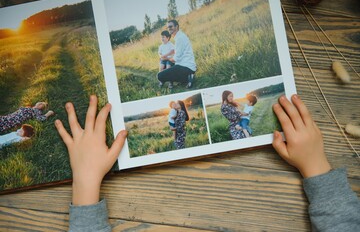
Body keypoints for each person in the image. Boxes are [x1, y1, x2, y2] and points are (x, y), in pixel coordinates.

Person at [55, 95, 360, 232]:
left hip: (181, 132)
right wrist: (316, 166)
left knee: (183, 138)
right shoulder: (183, 112)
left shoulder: (181, 113)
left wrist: (85, 181)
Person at [157, 20, 197, 89]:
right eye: (168, 27)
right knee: (169, 68)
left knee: (160, 76)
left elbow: (176, 59)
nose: (169, 28)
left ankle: (188, 77)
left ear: (177, 27)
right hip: (186, 66)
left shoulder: (179, 38)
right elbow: (177, 55)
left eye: (171, 26)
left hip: (185, 67)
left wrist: (165, 58)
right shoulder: (179, 36)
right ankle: (187, 78)